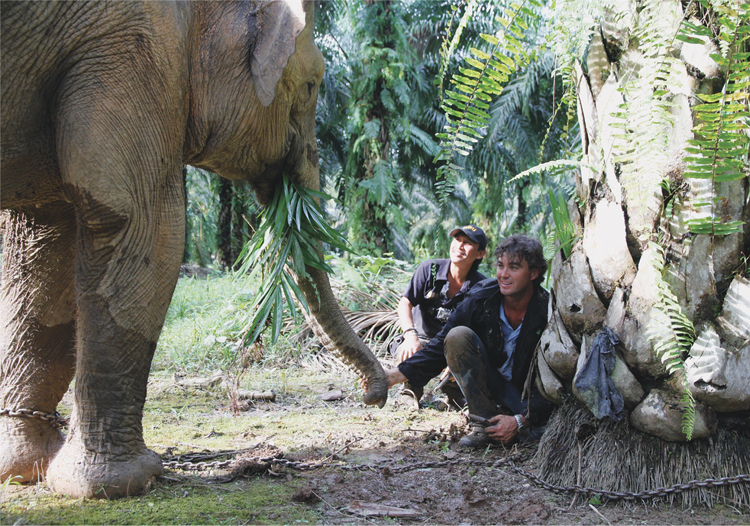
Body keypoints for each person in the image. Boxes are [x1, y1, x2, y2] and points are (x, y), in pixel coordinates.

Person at [385, 235, 555, 447]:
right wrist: (394, 376)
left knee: (542, 429)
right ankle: (485, 425)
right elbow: (440, 345)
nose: (503, 274)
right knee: (457, 336)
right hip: (493, 385)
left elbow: (557, 381)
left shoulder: (547, 312)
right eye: (500, 266)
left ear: (534, 273)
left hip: (526, 397)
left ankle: (516, 425)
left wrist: (521, 420)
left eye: (514, 267)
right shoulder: (482, 297)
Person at [391, 225, 488, 405]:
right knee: (407, 349)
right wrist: (410, 335)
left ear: (480, 254)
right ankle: (410, 390)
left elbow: (481, 332)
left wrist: (457, 359)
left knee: (469, 357)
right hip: (422, 340)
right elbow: (405, 303)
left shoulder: (480, 287)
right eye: (457, 240)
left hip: (455, 345)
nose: (459, 246)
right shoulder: (431, 270)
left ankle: (455, 393)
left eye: (467, 243)